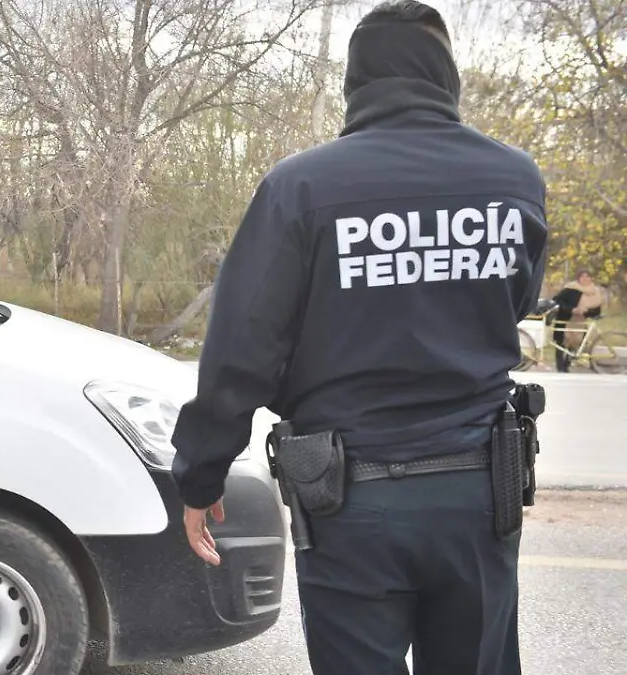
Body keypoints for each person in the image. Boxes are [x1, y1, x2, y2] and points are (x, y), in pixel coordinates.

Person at [169, 2, 549, 674]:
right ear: (446, 76)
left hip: (352, 502)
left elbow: (241, 348)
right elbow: (511, 301)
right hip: (478, 493)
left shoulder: (302, 188)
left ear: (357, 83)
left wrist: (200, 470)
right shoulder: (512, 180)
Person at [551, 270, 603, 372]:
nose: (585, 279)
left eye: (588, 277)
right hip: (565, 319)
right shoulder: (571, 288)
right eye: (582, 277)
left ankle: (567, 364)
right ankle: (560, 367)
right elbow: (557, 300)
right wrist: (572, 309)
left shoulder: (594, 291)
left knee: (576, 344)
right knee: (561, 343)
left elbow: (597, 310)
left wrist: (585, 312)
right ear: (578, 278)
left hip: (581, 322)